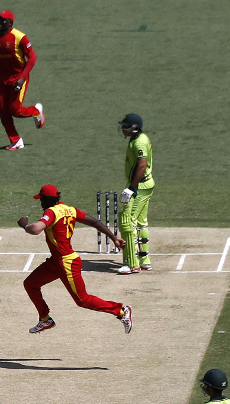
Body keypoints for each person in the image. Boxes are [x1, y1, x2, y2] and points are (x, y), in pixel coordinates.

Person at [18, 184, 133, 334]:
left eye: (41, 200)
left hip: (66, 263)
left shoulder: (51, 212)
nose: (40, 203)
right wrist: (113, 237)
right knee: (30, 284)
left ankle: (121, 311)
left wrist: (24, 225)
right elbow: (94, 222)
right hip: (56, 262)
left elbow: (35, 229)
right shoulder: (71, 210)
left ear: (47, 200)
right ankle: (45, 318)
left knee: (83, 300)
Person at [0, 10, 44, 150]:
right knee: (3, 112)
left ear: (10, 23)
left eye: (2, 20)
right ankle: (16, 141)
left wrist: (22, 78)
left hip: (18, 78)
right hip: (2, 80)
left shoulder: (19, 37)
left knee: (15, 110)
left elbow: (32, 58)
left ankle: (36, 111)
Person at [116, 113, 154, 274]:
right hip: (144, 185)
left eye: (125, 126)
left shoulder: (139, 143)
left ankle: (132, 264)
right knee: (140, 221)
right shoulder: (139, 139)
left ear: (133, 128)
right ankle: (144, 261)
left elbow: (142, 166)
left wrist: (132, 187)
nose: (122, 129)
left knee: (126, 221)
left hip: (139, 186)